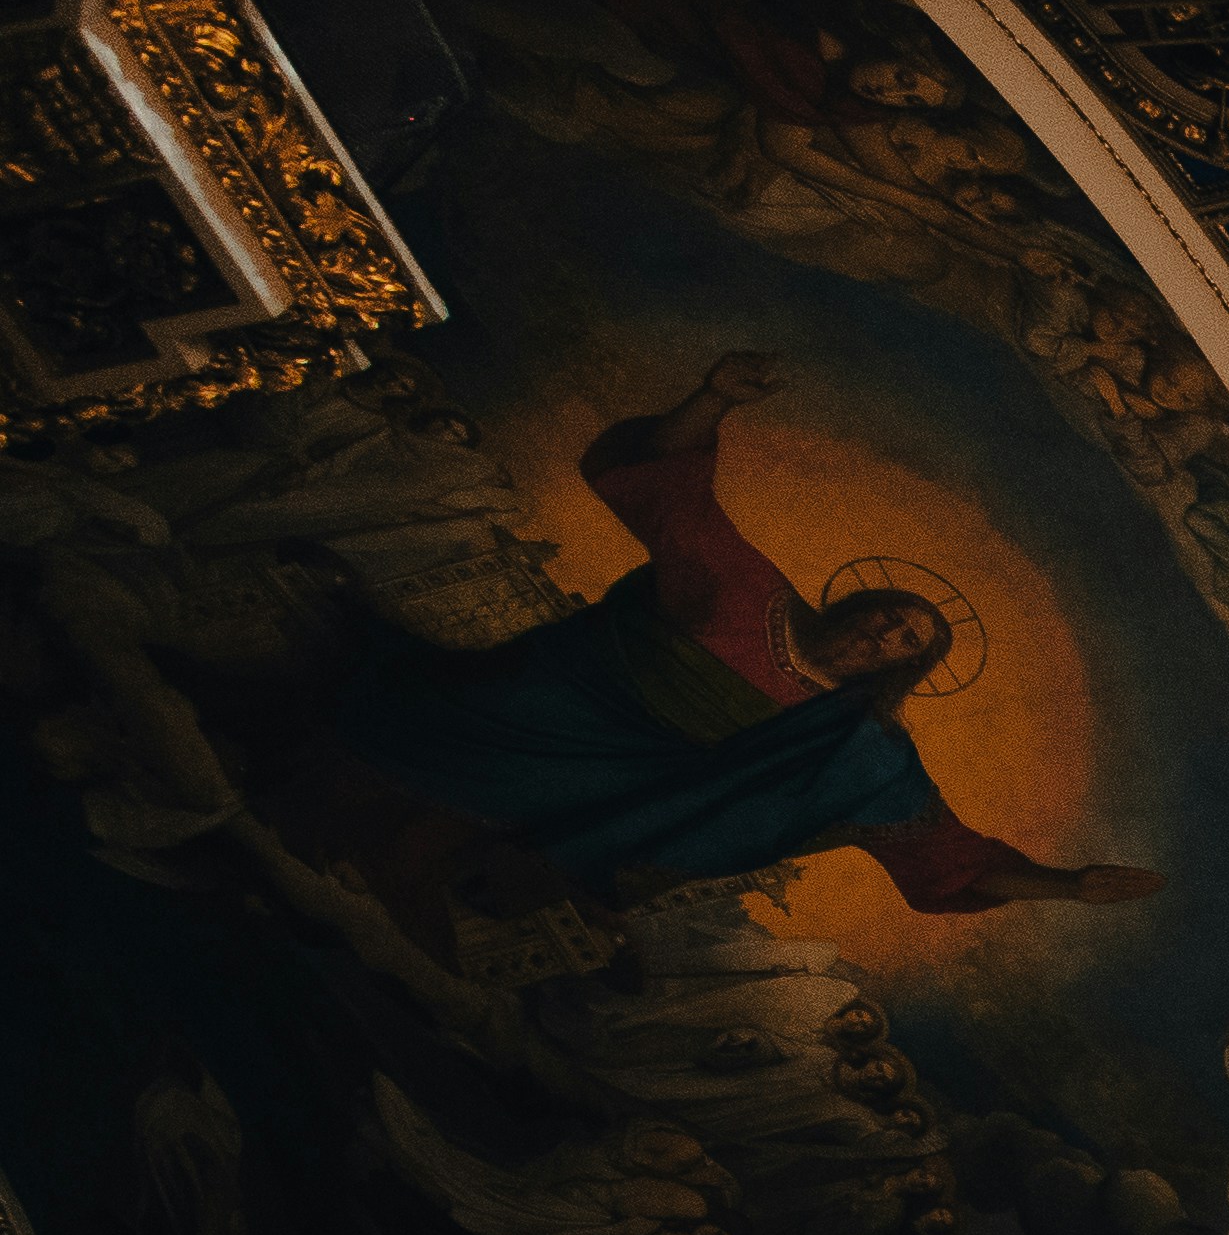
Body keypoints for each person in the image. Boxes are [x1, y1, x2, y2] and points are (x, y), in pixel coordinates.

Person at [297, 358, 1166, 938]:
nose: (885, 633)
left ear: (903, 668)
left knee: (493, 827)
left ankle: (397, 871)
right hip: (544, 692)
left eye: (905, 642)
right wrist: (712, 398)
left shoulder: (851, 737)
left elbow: (939, 847)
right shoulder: (752, 588)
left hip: (622, 772)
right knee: (375, 738)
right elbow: (669, 492)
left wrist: (1066, 885)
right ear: (859, 603)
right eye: (889, 614)